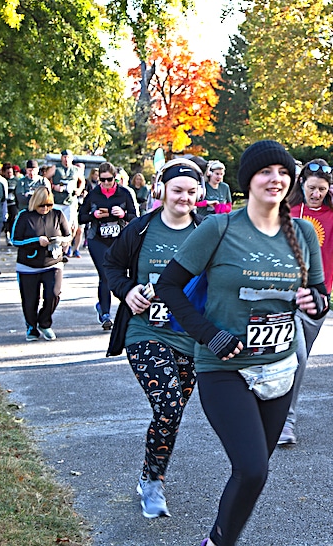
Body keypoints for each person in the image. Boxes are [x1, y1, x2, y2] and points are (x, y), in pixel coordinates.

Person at [154, 140, 327, 546]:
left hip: (282, 367)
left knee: (256, 473)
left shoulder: (302, 232)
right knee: (251, 468)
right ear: (247, 179)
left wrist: (315, 302)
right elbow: (170, 286)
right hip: (224, 368)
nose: (276, 179)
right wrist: (209, 334)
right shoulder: (220, 228)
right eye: (266, 171)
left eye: (284, 172)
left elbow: (320, 295)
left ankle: (217, 541)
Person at [102, 158, 206, 519]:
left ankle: (150, 472)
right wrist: (127, 291)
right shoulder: (140, 229)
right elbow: (112, 266)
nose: (184, 198)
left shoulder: (207, 232)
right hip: (144, 330)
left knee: (172, 413)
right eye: (178, 190)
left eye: (192, 192)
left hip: (189, 337)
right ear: (162, 190)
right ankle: (155, 482)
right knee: (168, 404)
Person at [279, 158, 333, 445]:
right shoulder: (288, 211)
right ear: (301, 185)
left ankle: (280, 418)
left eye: (322, 189)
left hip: (317, 299)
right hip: (285, 296)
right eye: (311, 188)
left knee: (298, 363)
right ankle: (284, 423)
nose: (316, 194)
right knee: (297, 357)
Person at [78, 161, 138, 330]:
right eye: (102, 180)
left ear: (115, 179)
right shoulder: (93, 194)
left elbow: (136, 217)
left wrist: (124, 214)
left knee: (120, 275)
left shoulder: (124, 193)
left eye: (108, 179)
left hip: (120, 240)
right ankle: (105, 314)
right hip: (98, 239)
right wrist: (93, 214)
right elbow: (81, 217)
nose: (105, 183)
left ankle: (125, 308)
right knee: (105, 275)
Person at [10, 187, 72, 341]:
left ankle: (44, 322)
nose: (45, 209)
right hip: (28, 265)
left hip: (53, 262)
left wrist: (60, 241)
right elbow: (15, 240)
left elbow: (68, 235)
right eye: (42, 205)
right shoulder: (24, 216)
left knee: (53, 294)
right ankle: (31, 327)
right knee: (30, 299)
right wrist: (36, 241)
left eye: (48, 205)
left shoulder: (57, 214)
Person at [52, 150, 82, 256]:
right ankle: (58, 247)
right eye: (64, 157)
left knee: (69, 227)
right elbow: (46, 178)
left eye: (68, 157)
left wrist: (79, 190)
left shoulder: (76, 170)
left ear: (72, 158)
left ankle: (66, 248)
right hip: (57, 202)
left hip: (70, 202)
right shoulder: (55, 168)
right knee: (56, 226)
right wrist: (53, 186)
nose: (66, 159)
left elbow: (82, 181)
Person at [2, 163, 19, 244]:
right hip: (5, 203)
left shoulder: (16, 180)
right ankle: (7, 233)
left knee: (13, 219)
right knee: (6, 220)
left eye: (10, 172)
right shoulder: (3, 180)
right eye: (7, 173)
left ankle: (12, 236)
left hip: (13, 203)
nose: (9, 174)